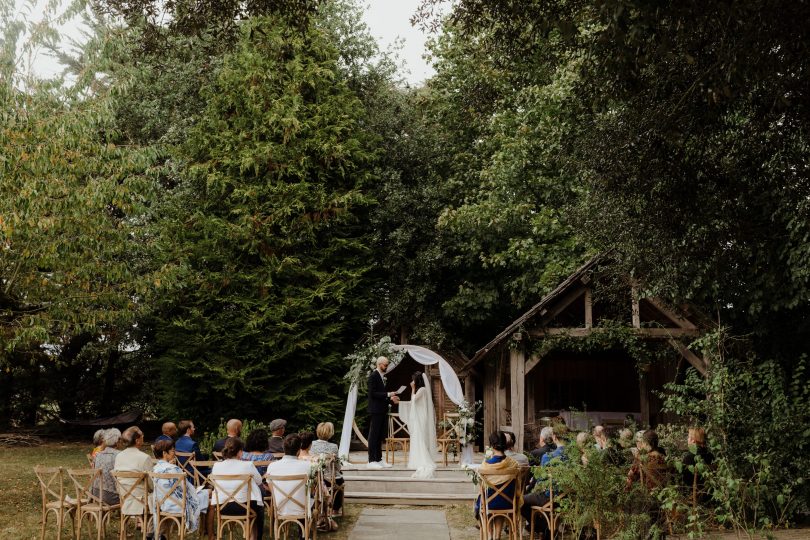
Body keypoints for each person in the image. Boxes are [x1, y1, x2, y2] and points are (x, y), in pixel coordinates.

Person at [210, 437, 264, 540]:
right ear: (239, 452)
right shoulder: (248, 465)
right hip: (244, 507)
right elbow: (259, 481)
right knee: (259, 503)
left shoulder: (217, 466)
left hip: (222, 507)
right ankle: (256, 537)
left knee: (251, 498)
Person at [152, 439, 208, 534]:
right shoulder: (174, 469)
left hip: (163, 504)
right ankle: (206, 533)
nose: (175, 453)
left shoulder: (155, 469)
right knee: (207, 496)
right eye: (173, 451)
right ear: (165, 453)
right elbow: (187, 490)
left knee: (204, 494)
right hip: (178, 505)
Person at [521, 425, 568, 536]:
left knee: (521, 500)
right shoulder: (574, 456)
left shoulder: (548, 457)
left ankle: (544, 528)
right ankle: (549, 529)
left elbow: (542, 482)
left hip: (550, 497)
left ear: (554, 437)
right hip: (568, 497)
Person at [474, 431, 522, 535]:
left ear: (492, 445)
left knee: (483, 498)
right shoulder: (513, 464)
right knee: (500, 497)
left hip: (489, 504)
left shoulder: (485, 465)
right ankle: (497, 535)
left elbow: (482, 487)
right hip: (508, 503)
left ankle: (490, 534)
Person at [398, 371, 437, 478]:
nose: (412, 381)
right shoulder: (419, 390)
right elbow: (412, 402)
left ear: (417, 380)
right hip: (418, 417)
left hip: (421, 417)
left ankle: (423, 459)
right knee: (416, 437)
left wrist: (412, 388)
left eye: (413, 379)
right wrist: (400, 402)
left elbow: (414, 400)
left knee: (420, 437)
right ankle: (416, 459)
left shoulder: (422, 390)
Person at [265, 434, 314, 521]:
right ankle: (303, 532)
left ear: (284, 448)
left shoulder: (272, 466)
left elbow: (271, 489)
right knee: (312, 497)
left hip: (280, 507)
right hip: (302, 508)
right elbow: (312, 488)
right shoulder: (308, 466)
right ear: (299, 451)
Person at [114, 426, 154, 527]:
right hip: (141, 499)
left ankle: (143, 525)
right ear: (137, 440)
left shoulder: (119, 456)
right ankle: (153, 531)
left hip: (124, 496)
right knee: (159, 496)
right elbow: (151, 484)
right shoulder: (145, 458)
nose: (143, 438)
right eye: (142, 437)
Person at [366, 356, 399, 469]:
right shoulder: (373, 376)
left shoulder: (381, 376)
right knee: (373, 435)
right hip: (375, 410)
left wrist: (391, 398)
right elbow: (373, 394)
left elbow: (381, 395)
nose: (386, 366)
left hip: (381, 409)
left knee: (379, 435)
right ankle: (371, 460)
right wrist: (388, 394)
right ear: (379, 364)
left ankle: (378, 459)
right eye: (385, 365)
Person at [310, 422, 343, 515]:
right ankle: (335, 509)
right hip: (329, 480)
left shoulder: (311, 444)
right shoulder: (334, 447)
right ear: (330, 433)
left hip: (315, 479)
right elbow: (337, 466)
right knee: (340, 480)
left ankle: (317, 505)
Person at [681, 427, 713, 499]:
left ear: (693, 441)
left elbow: (684, 482)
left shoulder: (689, 458)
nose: (687, 439)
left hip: (694, 496)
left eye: (689, 437)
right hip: (711, 495)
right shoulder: (711, 456)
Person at [92, 428, 121, 504]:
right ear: (117, 441)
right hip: (111, 497)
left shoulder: (97, 455)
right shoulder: (119, 455)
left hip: (95, 495)